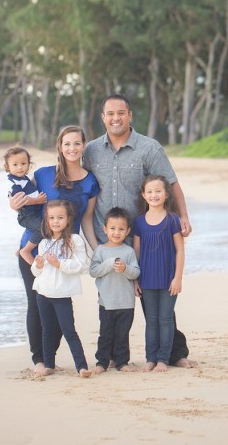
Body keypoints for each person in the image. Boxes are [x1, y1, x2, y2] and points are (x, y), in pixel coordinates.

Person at [82, 93, 196, 368]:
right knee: (109, 302)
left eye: (121, 113)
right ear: (103, 117)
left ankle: (173, 353)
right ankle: (109, 357)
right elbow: (79, 184)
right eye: (110, 114)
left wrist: (183, 216)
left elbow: (172, 183)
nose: (115, 118)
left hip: (146, 239)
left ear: (129, 115)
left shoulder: (149, 147)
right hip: (107, 240)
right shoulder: (91, 151)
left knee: (154, 300)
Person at [9, 126, 100, 375]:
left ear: (84, 146)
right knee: (36, 305)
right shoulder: (42, 174)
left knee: (61, 308)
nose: (72, 148)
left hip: (67, 253)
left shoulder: (91, 180)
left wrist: (97, 251)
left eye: (77, 143)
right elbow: (26, 205)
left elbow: (88, 220)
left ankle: (49, 357)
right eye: (67, 144)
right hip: (36, 250)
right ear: (59, 146)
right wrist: (13, 205)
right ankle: (40, 360)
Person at [31, 199, 92, 378]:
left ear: (68, 219)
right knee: (47, 331)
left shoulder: (75, 240)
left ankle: (81, 366)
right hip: (43, 293)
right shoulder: (44, 243)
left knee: (69, 331)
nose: (55, 221)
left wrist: (59, 263)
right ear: (46, 220)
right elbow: (35, 272)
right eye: (51, 218)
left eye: (60, 217)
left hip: (62, 294)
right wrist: (39, 265)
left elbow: (81, 265)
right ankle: (49, 364)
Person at [133, 175, 186, 372]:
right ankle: (151, 357)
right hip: (146, 280)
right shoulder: (138, 222)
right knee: (151, 321)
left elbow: (180, 250)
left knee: (165, 319)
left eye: (158, 191)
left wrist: (178, 278)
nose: (154, 195)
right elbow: (136, 252)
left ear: (166, 194)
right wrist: (135, 280)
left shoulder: (172, 219)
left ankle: (163, 359)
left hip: (168, 280)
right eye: (150, 191)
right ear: (143, 195)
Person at [89, 207, 141, 373]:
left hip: (126, 302)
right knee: (105, 334)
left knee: (122, 335)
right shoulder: (101, 250)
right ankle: (102, 363)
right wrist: (108, 264)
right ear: (105, 229)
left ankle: (122, 362)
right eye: (112, 228)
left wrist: (125, 268)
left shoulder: (129, 251)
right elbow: (93, 271)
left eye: (121, 229)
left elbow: (136, 272)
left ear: (128, 231)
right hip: (106, 302)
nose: (116, 232)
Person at [4, 146, 47, 263]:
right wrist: (37, 200)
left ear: (29, 164)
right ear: (7, 167)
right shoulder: (15, 183)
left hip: (33, 213)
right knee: (42, 228)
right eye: (15, 165)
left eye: (23, 163)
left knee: (39, 227)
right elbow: (22, 199)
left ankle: (20, 249)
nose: (20, 167)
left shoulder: (24, 179)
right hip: (26, 215)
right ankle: (26, 251)